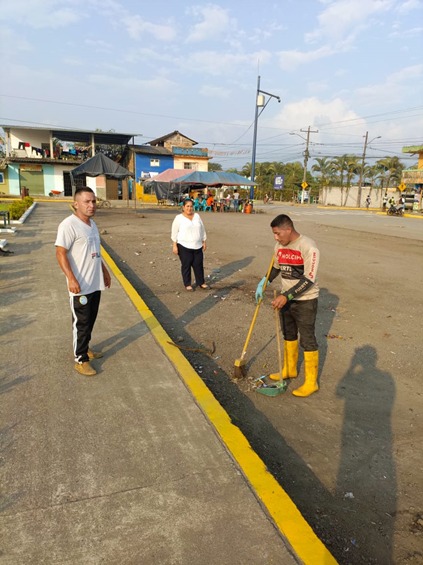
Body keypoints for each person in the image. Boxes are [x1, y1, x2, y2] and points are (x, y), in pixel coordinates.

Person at [255, 214, 320, 397]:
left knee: (307, 339)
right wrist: (264, 282)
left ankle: (311, 382)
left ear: (288, 229)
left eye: (278, 233)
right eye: (274, 234)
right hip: (286, 298)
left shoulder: (308, 247)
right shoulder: (279, 247)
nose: (275, 238)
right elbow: (276, 267)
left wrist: (287, 296)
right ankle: (290, 369)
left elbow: (309, 279)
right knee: (288, 334)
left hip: (306, 300)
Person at [55, 187, 111, 377]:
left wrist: (104, 271)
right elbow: (60, 253)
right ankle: (81, 360)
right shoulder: (68, 225)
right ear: (75, 204)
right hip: (80, 286)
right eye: (87, 201)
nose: (91, 205)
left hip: (95, 283)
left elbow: (96, 252)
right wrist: (71, 279)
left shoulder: (92, 224)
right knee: (81, 323)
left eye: (93, 201)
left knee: (90, 319)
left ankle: (85, 347)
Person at [171, 199, 209, 291]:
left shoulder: (197, 216)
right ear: (183, 207)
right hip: (184, 245)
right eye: (187, 206)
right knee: (186, 265)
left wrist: (204, 241)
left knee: (198, 265)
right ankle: (187, 284)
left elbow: (202, 229)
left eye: (191, 206)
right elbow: (174, 232)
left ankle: (201, 282)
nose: (189, 208)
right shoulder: (178, 218)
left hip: (197, 245)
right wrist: (174, 245)